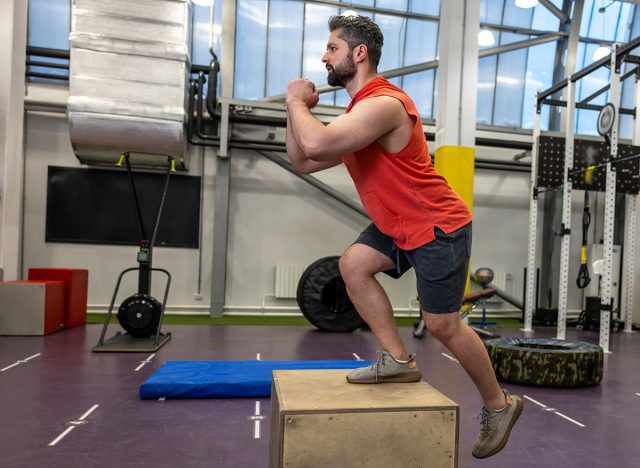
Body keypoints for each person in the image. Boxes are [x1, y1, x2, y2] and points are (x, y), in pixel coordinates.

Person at [285, 14, 523, 459]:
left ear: (359, 54)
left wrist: (298, 103)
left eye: (332, 48)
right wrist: (291, 108)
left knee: (442, 325)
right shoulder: (358, 113)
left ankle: (499, 404)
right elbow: (302, 160)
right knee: (353, 264)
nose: (323, 56)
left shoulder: (384, 104)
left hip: (436, 224)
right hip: (397, 223)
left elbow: (315, 146)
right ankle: (396, 360)